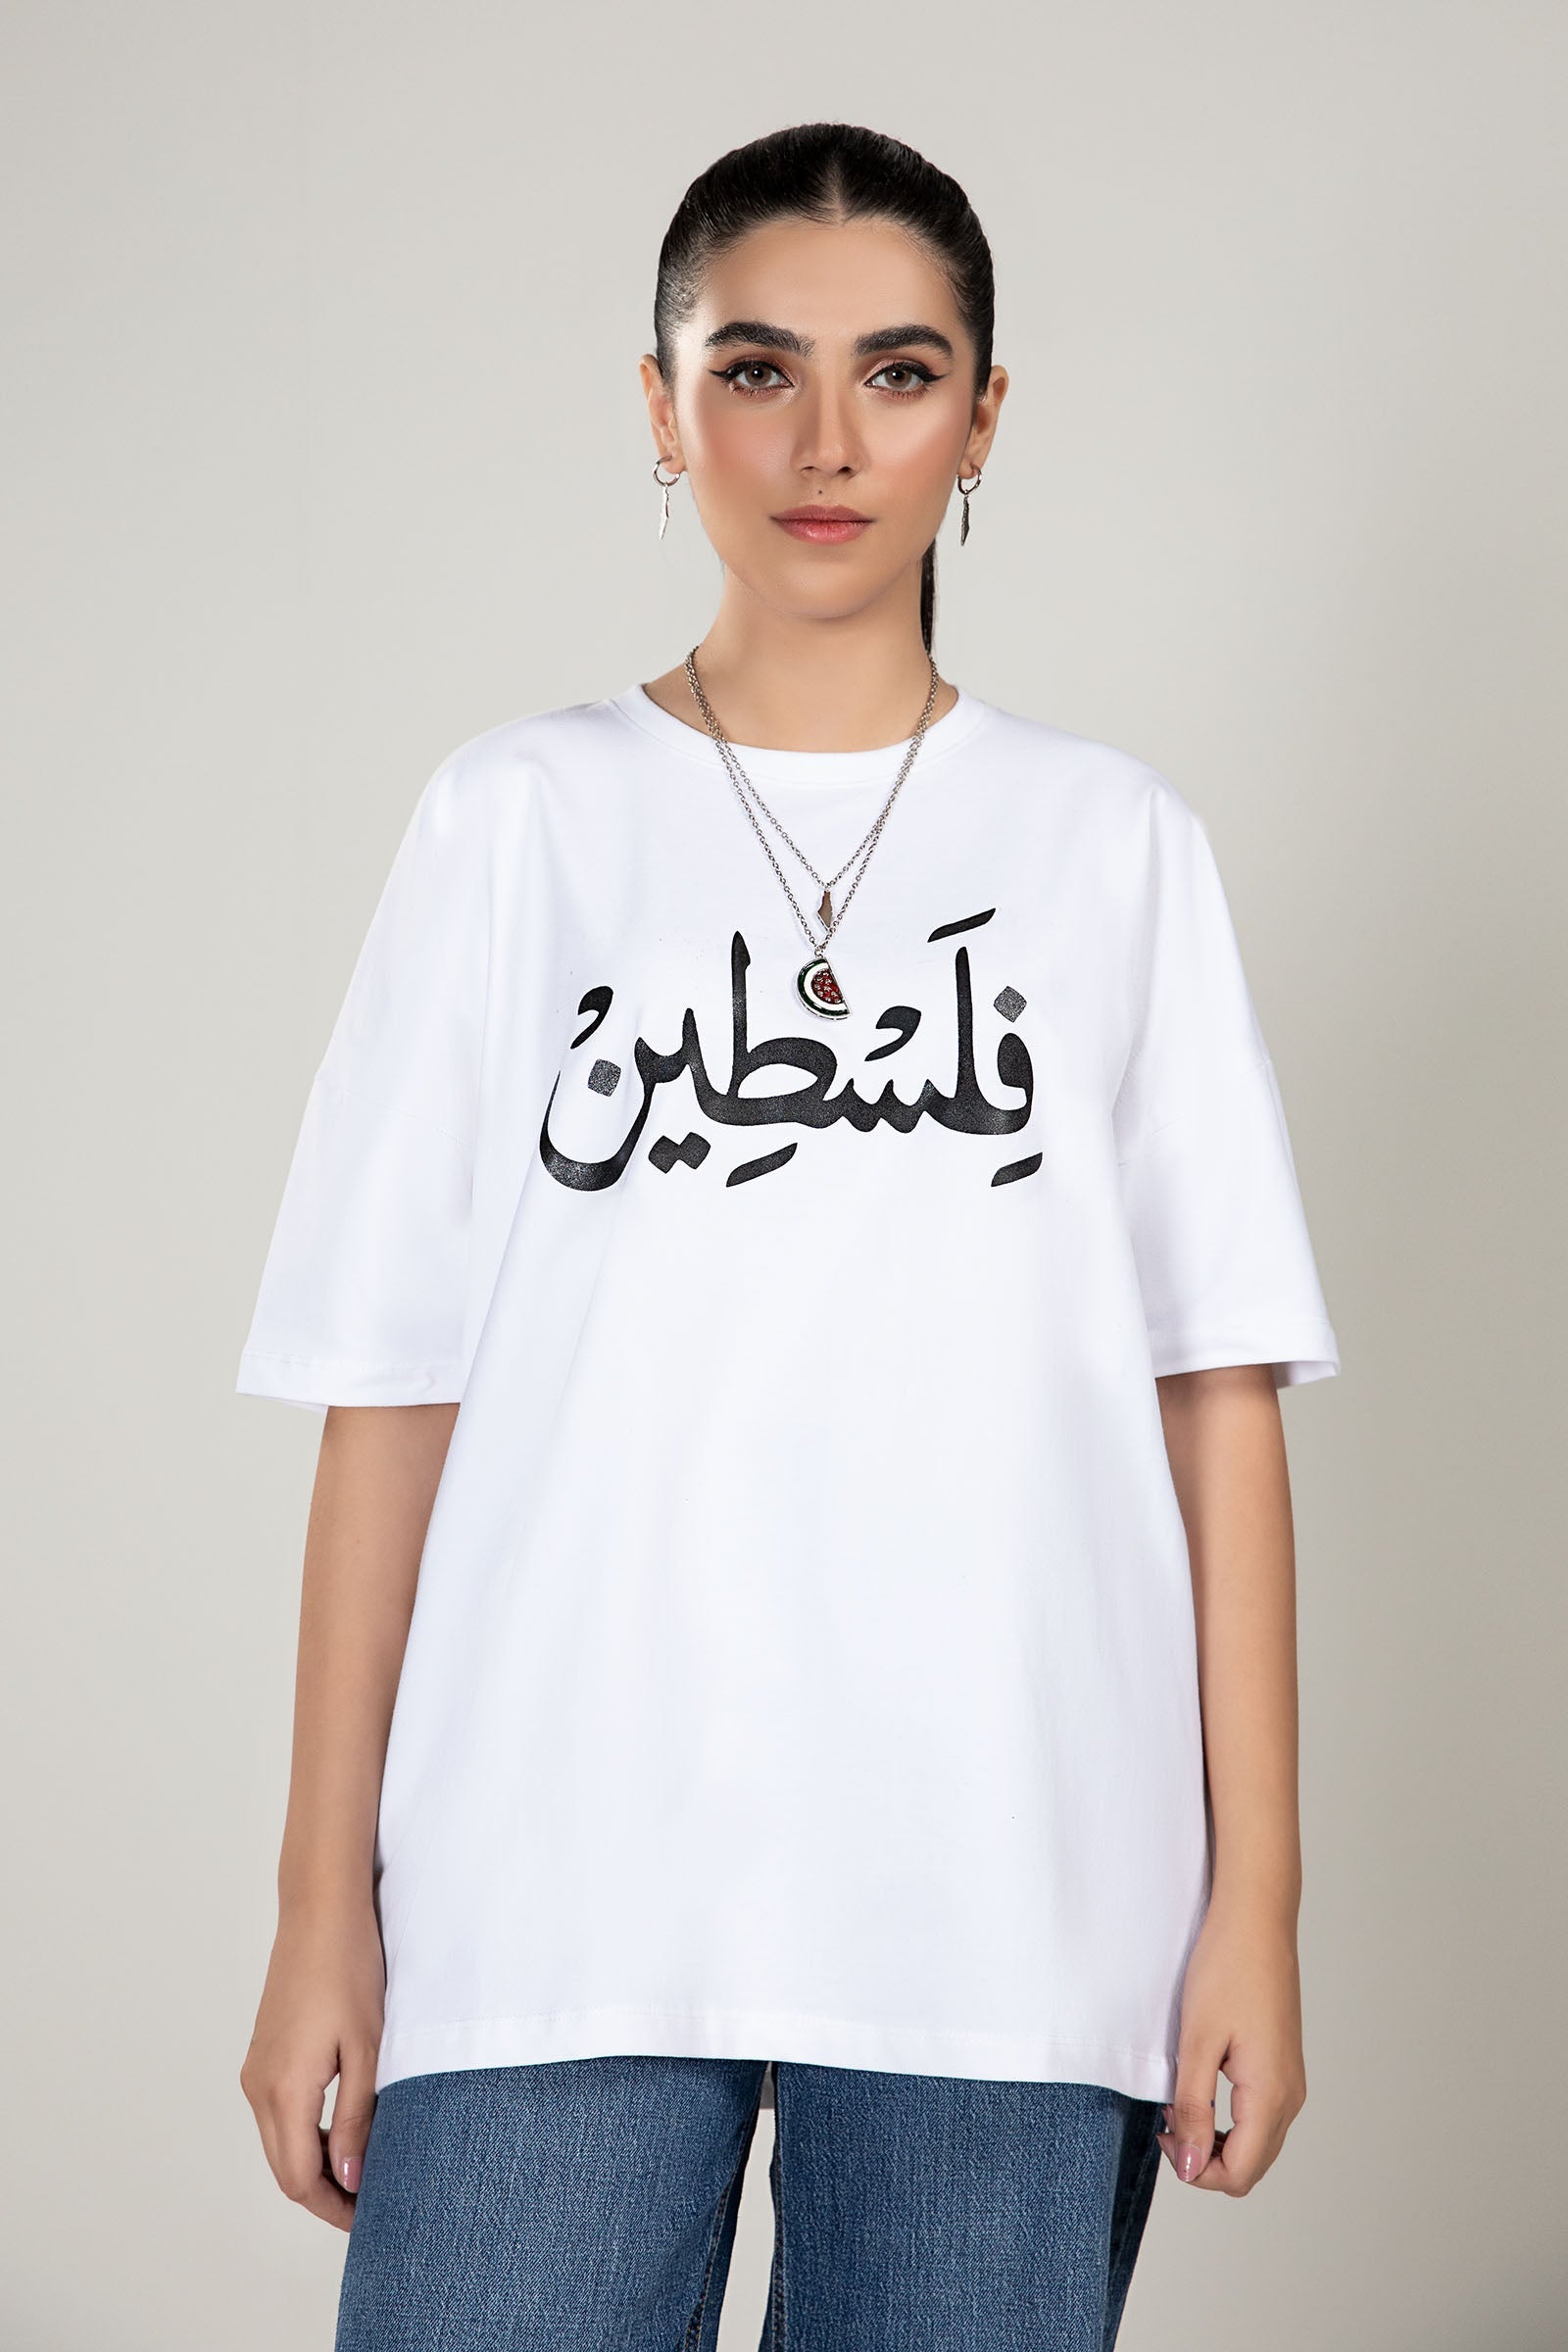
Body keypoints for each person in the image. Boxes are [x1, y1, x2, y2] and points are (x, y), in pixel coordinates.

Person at [235, 121, 1341, 2352]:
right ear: (661, 409)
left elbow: (1212, 1398)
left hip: (1010, 1900)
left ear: (983, 417)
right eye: (755, 369)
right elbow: (393, 1394)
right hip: (554, 1887)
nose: (826, 442)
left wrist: (1260, 1906)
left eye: (897, 372)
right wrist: (315, 1909)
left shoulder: (1110, 846)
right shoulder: (515, 822)